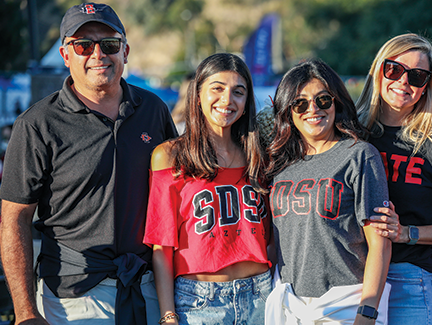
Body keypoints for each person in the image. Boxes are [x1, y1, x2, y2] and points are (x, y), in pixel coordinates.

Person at [0, 3, 177, 324]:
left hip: (148, 287)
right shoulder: (37, 124)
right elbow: (14, 220)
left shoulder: (153, 109)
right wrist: (25, 312)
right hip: (73, 297)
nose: (98, 54)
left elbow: (178, 193)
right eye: (83, 45)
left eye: (109, 44)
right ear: (66, 54)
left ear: (125, 51)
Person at [355, 33, 432, 325]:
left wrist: (408, 233)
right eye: (394, 69)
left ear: (427, 86)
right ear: (378, 71)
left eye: (417, 76)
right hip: (347, 278)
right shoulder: (349, 133)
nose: (403, 82)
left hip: (408, 279)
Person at [143, 53, 272, 325]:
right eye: (217, 88)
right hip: (200, 303)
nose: (227, 100)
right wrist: (168, 315)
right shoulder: (170, 156)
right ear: (198, 94)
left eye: (238, 92)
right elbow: (162, 247)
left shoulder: (259, 155)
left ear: (247, 102)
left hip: (262, 295)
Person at [265, 58, 392, 324]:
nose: (313, 109)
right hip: (290, 305)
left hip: (345, 304)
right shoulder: (279, 164)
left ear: (336, 102)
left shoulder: (359, 156)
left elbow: (379, 243)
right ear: (288, 111)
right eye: (300, 103)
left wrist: (367, 312)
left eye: (323, 100)